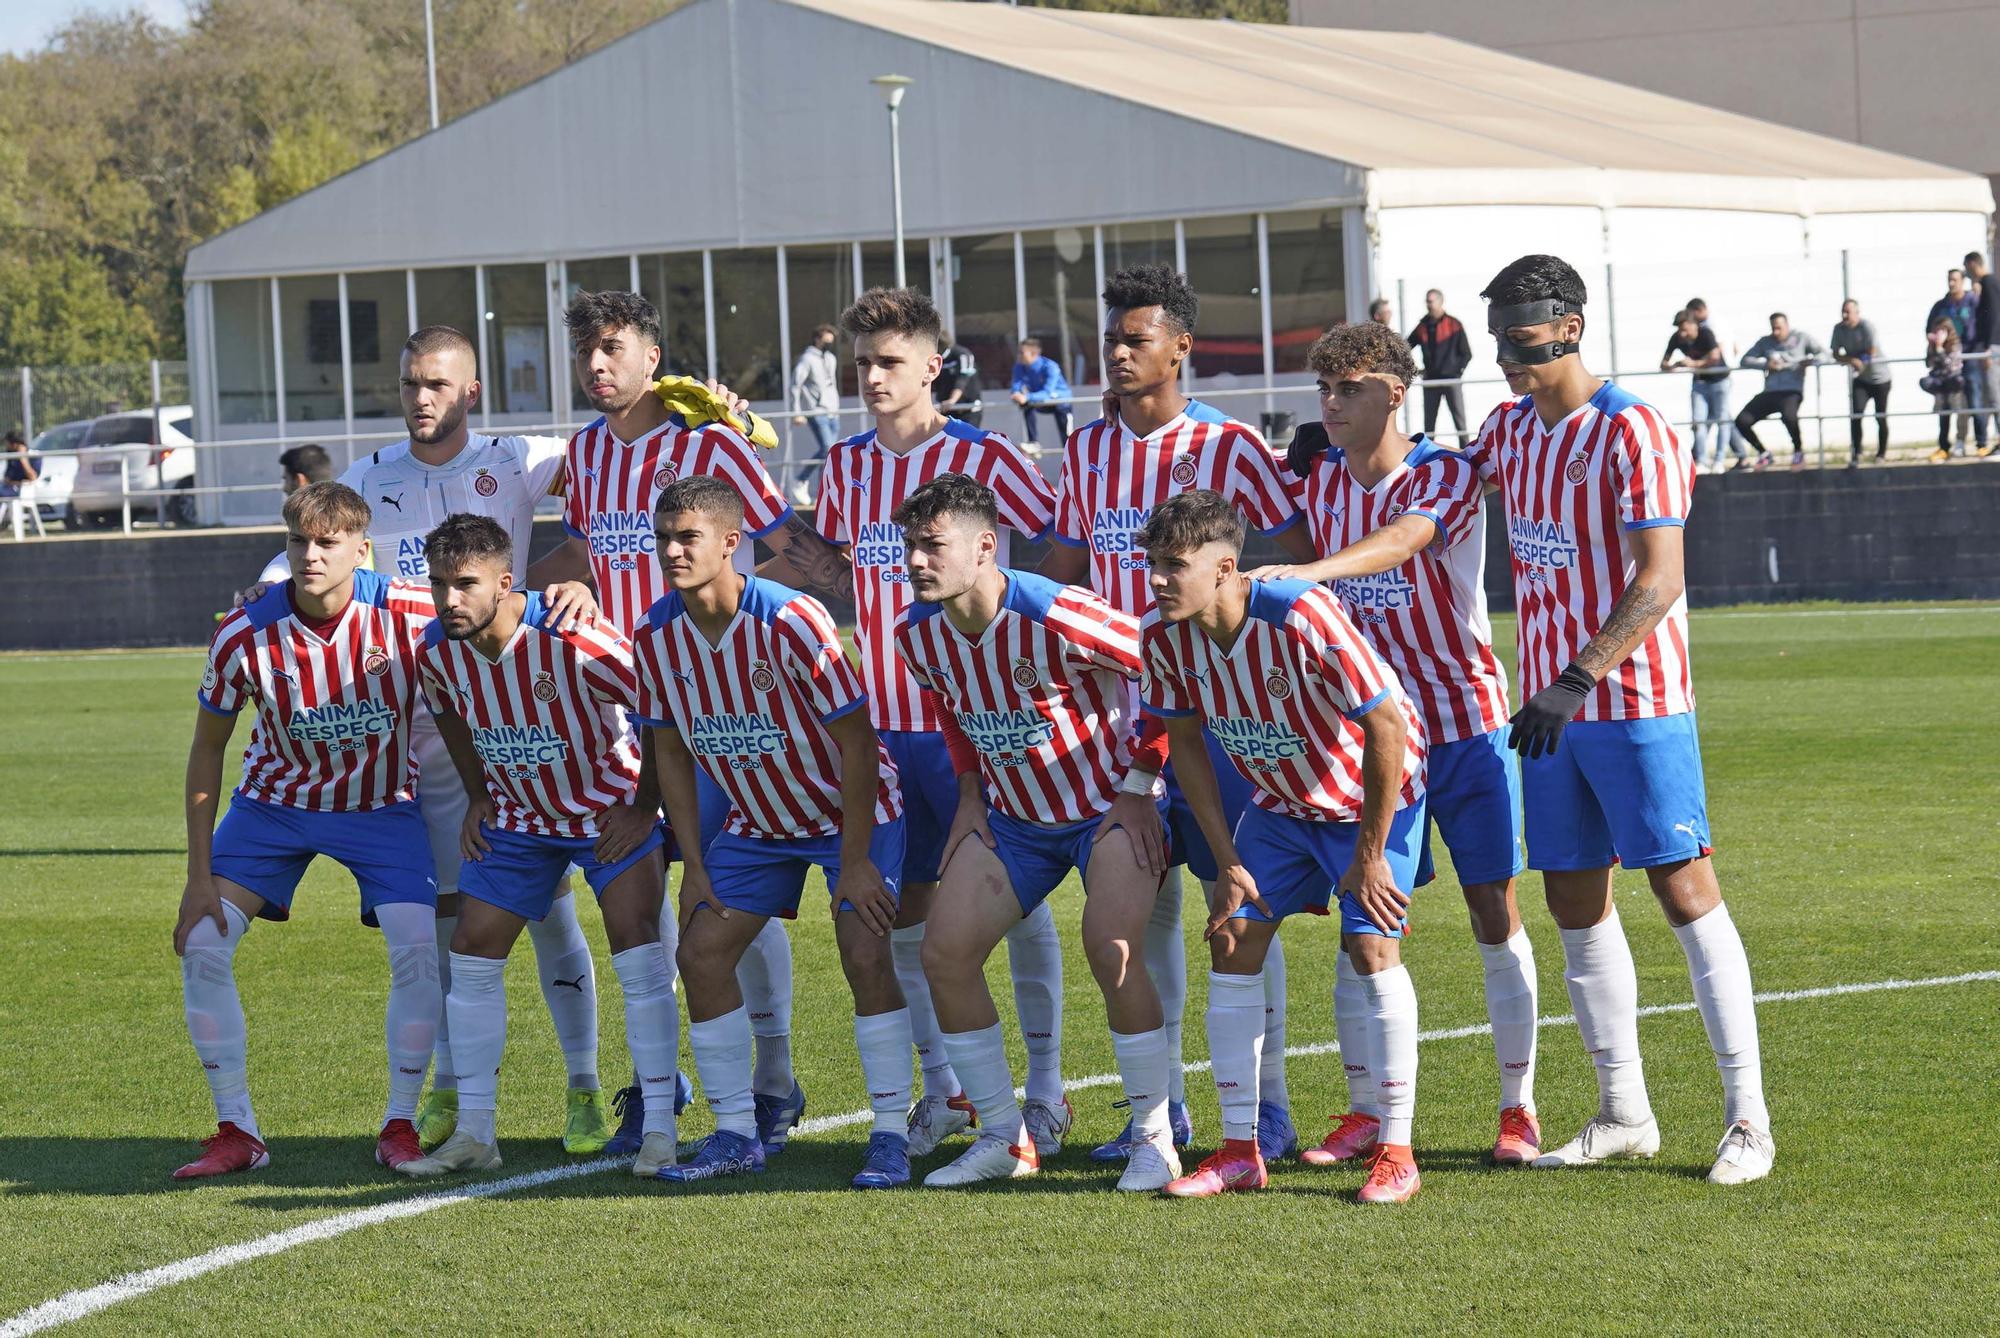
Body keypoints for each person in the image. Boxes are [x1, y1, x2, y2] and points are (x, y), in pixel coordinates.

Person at [242, 326, 612, 1158]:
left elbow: (619, 442)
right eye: (411, 383)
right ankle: (450, 1086)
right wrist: (257, 595)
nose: (421, 398)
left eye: (438, 385)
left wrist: (581, 564)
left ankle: (584, 1087)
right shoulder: (370, 478)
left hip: (521, 716)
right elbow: (300, 557)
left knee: (550, 912)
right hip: (429, 734)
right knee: (452, 922)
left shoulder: (521, 457)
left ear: (470, 392)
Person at [1469, 253, 1774, 1186]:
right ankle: (1622, 1111)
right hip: (1550, 716)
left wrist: (1576, 677)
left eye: (1522, 337)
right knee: (1572, 900)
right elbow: (1433, 484)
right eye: (1499, 340)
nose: (1509, 358)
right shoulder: (1509, 429)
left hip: (1635, 703)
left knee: (1683, 892)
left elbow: (1661, 577)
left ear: (1568, 327)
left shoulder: (1631, 429)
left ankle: (1748, 1121)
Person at [540, 289, 850, 1157]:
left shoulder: (708, 442)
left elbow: (782, 540)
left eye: (611, 348)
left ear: (650, 356)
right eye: (585, 351)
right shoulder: (587, 453)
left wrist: (858, 608)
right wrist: (531, 591)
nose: (596, 365)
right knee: (640, 910)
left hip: (724, 711)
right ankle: (654, 1088)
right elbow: (588, 552)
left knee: (725, 903)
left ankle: (775, 1078)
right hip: (622, 710)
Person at [1041, 262, 1320, 1166]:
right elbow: (1075, 564)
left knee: (1236, 903)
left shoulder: (1232, 448)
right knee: (1139, 912)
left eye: (1136, 339)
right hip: (1117, 721)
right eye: (1111, 339)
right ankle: (1161, 1113)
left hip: (1218, 718)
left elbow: (1286, 555)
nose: (1117, 354)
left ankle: (1267, 1108)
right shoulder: (1084, 452)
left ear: (1182, 347)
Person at [1247, 321, 1540, 1167]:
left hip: (1464, 727)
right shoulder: (1323, 481)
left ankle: (1517, 1109)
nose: (1331, 405)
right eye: (1324, 391)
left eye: (1350, 389)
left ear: (1395, 391)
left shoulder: (1442, 472)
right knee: (1362, 924)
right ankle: (1367, 1111)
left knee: (1495, 910)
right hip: (1370, 745)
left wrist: (1313, 571)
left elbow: (1407, 539)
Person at [804, 286, 1065, 1162]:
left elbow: (1055, 549)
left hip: (981, 727)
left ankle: (1051, 1093)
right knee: (905, 919)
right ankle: (943, 1092)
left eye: (889, 361)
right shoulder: (842, 469)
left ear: (933, 365)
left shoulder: (985, 456)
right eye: (862, 364)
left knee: (1017, 909)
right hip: (881, 732)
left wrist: (1027, 670)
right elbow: (841, 573)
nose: (872, 378)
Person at [1136, 492, 1427, 1204]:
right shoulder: (1163, 634)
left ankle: (1396, 1152)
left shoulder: (1300, 614)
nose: (1159, 581)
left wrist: (1370, 852)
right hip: (1278, 803)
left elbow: (1387, 728)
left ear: (1227, 568)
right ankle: (1239, 1151)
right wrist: (1226, 860)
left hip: (1371, 795)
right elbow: (1188, 746)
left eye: (1176, 566)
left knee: (1371, 950)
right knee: (1231, 940)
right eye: (1153, 565)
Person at [892, 473, 1180, 1191]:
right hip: (1016, 820)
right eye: (909, 546)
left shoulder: (1058, 612)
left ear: (986, 547)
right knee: (944, 953)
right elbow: (956, 712)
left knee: (1111, 949)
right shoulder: (915, 631)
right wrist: (968, 795)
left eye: (933, 546)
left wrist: (1143, 783)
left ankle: (1155, 1137)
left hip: (1110, 806)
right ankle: (1004, 1136)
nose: (916, 561)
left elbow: (1173, 667)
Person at [633, 476, 915, 1189]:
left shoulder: (792, 618)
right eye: (664, 536)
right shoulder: (656, 632)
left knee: (863, 950)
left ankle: (889, 1135)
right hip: (759, 820)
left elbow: (856, 743)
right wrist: (693, 865)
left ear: (732, 542)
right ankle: (734, 1130)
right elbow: (668, 750)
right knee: (700, 954)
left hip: (850, 813)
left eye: (688, 536)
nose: (672, 550)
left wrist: (854, 863)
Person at [173, 482, 442, 1178]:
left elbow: (496, 616)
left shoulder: (411, 612)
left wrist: (573, 596)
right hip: (273, 807)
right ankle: (238, 1130)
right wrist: (197, 878)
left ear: (362, 548)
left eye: (327, 542)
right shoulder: (245, 632)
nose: (311, 555)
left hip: (382, 806)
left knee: (419, 953)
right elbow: (208, 748)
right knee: (203, 944)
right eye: (299, 541)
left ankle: (401, 1125)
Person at [402, 515, 678, 1179]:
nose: (448, 600)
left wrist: (644, 808)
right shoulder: (437, 648)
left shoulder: (573, 636)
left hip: (604, 812)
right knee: (470, 952)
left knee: (637, 952)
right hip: (520, 819)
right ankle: (475, 1133)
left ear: (505, 582)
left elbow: (664, 709)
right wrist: (478, 795)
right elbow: (446, 713)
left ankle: (661, 1130)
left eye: (465, 584)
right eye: (439, 584)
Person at [1735, 312, 1827, 470]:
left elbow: (1825, 355)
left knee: (1789, 416)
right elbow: (1745, 360)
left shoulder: (1801, 338)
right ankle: (1764, 453)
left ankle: (1798, 451)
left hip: (1791, 390)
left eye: (1779, 328)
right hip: (1770, 391)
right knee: (1741, 420)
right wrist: (1766, 365)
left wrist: (1809, 361)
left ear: (1787, 325)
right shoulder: (1765, 342)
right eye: (1773, 329)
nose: (1776, 332)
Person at [1660, 309, 1737, 472]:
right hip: (1699, 383)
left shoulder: (1706, 333)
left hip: (1719, 380)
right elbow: (1663, 363)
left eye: (1684, 328)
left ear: (1694, 325)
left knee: (1722, 420)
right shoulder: (1676, 338)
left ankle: (1719, 460)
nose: (1682, 333)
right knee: (1698, 422)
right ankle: (1701, 460)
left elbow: (1714, 357)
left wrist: (1692, 364)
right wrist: (1675, 365)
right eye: (1679, 329)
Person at [1828, 300, 1892, 467]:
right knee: (1856, 415)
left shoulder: (1867, 327)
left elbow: (1872, 350)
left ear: (1857, 312)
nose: (1845, 315)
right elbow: (1835, 354)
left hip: (1880, 379)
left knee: (1880, 416)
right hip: (1861, 379)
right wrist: (1851, 360)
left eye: (1848, 312)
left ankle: (1881, 453)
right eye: (1843, 312)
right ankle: (1856, 453)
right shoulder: (1839, 329)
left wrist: (1861, 361)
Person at [1406, 289, 1472, 444]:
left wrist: (1457, 372)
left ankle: (1469, 454)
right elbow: (1404, 348)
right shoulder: (1422, 326)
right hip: (1431, 381)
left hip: (1451, 380)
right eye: (1427, 301)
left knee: (1460, 422)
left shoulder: (1454, 325)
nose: (1428, 304)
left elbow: (1466, 354)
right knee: (1429, 425)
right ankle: (1427, 456)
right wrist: (1416, 370)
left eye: (1431, 301)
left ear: (1440, 301)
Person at [1926, 269, 1979, 452]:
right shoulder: (1941, 306)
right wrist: (1936, 348)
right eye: (1949, 280)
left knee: (1967, 402)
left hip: (1968, 358)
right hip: (1946, 362)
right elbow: (1929, 330)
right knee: (1944, 404)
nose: (1951, 283)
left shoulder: (1972, 301)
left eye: (1955, 280)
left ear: (1962, 281)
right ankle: (1943, 445)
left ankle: (1966, 441)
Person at [790, 323, 841, 505]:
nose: (829, 343)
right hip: (816, 411)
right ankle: (801, 479)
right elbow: (795, 385)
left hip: (833, 411)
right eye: (827, 339)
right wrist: (796, 412)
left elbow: (831, 384)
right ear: (818, 339)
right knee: (827, 447)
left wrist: (836, 406)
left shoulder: (830, 358)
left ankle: (824, 494)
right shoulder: (807, 359)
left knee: (830, 454)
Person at [1963, 253, 2000, 457]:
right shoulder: (1986, 284)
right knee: (1990, 396)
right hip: (1990, 347)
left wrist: (1989, 348)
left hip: (1992, 348)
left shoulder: (1990, 282)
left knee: (1995, 396)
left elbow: (1995, 316)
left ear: (1973, 264)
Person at [1009, 337, 1073, 450]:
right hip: (1040, 401)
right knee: (1026, 404)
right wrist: (1016, 394)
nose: (1018, 355)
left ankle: (1070, 449)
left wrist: (1026, 397)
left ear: (1034, 354)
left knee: (1066, 436)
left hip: (1060, 401)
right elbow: (1016, 385)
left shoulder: (1050, 367)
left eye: (1021, 353)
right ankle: (1033, 443)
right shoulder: (1019, 367)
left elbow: (1047, 392)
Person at [1925, 318, 1968, 462]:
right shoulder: (1933, 345)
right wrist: (1932, 346)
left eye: (1941, 331)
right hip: (1941, 385)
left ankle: (1960, 443)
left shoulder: (1956, 345)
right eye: (1936, 331)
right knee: (1943, 416)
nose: (1938, 334)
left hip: (1954, 384)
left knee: (1960, 414)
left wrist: (1939, 348)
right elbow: (1929, 364)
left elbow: (1950, 365)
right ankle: (1943, 447)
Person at [934, 331, 983, 427]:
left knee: (968, 440)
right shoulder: (934, 359)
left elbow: (963, 379)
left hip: (968, 408)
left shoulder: (962, 354)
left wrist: (952, 400)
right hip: (946, 410)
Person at [2, 427, 40, 497]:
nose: (6, 446)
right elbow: (7, 479)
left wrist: (22, 457)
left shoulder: (33, 456)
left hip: (23, 490)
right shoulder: (11, 456)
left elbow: (32, 478)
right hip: (9, 488)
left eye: (7, 444)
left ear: (14, 444)